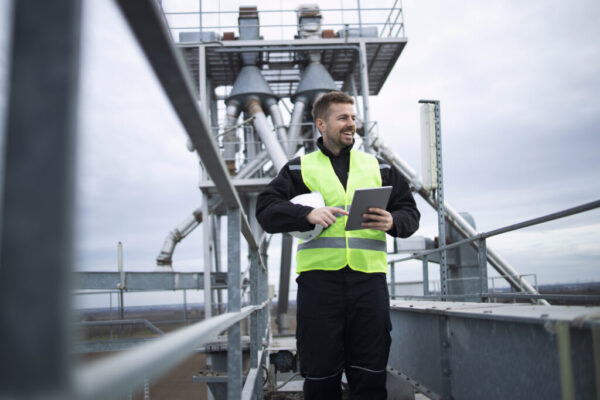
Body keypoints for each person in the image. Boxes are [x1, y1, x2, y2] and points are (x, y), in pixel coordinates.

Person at [256, 91, 420, 399]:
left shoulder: (379, 167)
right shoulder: (299, 168)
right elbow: (265, 210)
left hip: (369, 283)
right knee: (320, 376)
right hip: (320, 285)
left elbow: (410, 212)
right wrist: (307, 214)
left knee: (370, 373)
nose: (351, 124)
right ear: (321, 124)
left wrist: (393, 221)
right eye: (343, 118)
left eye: (353, 118)